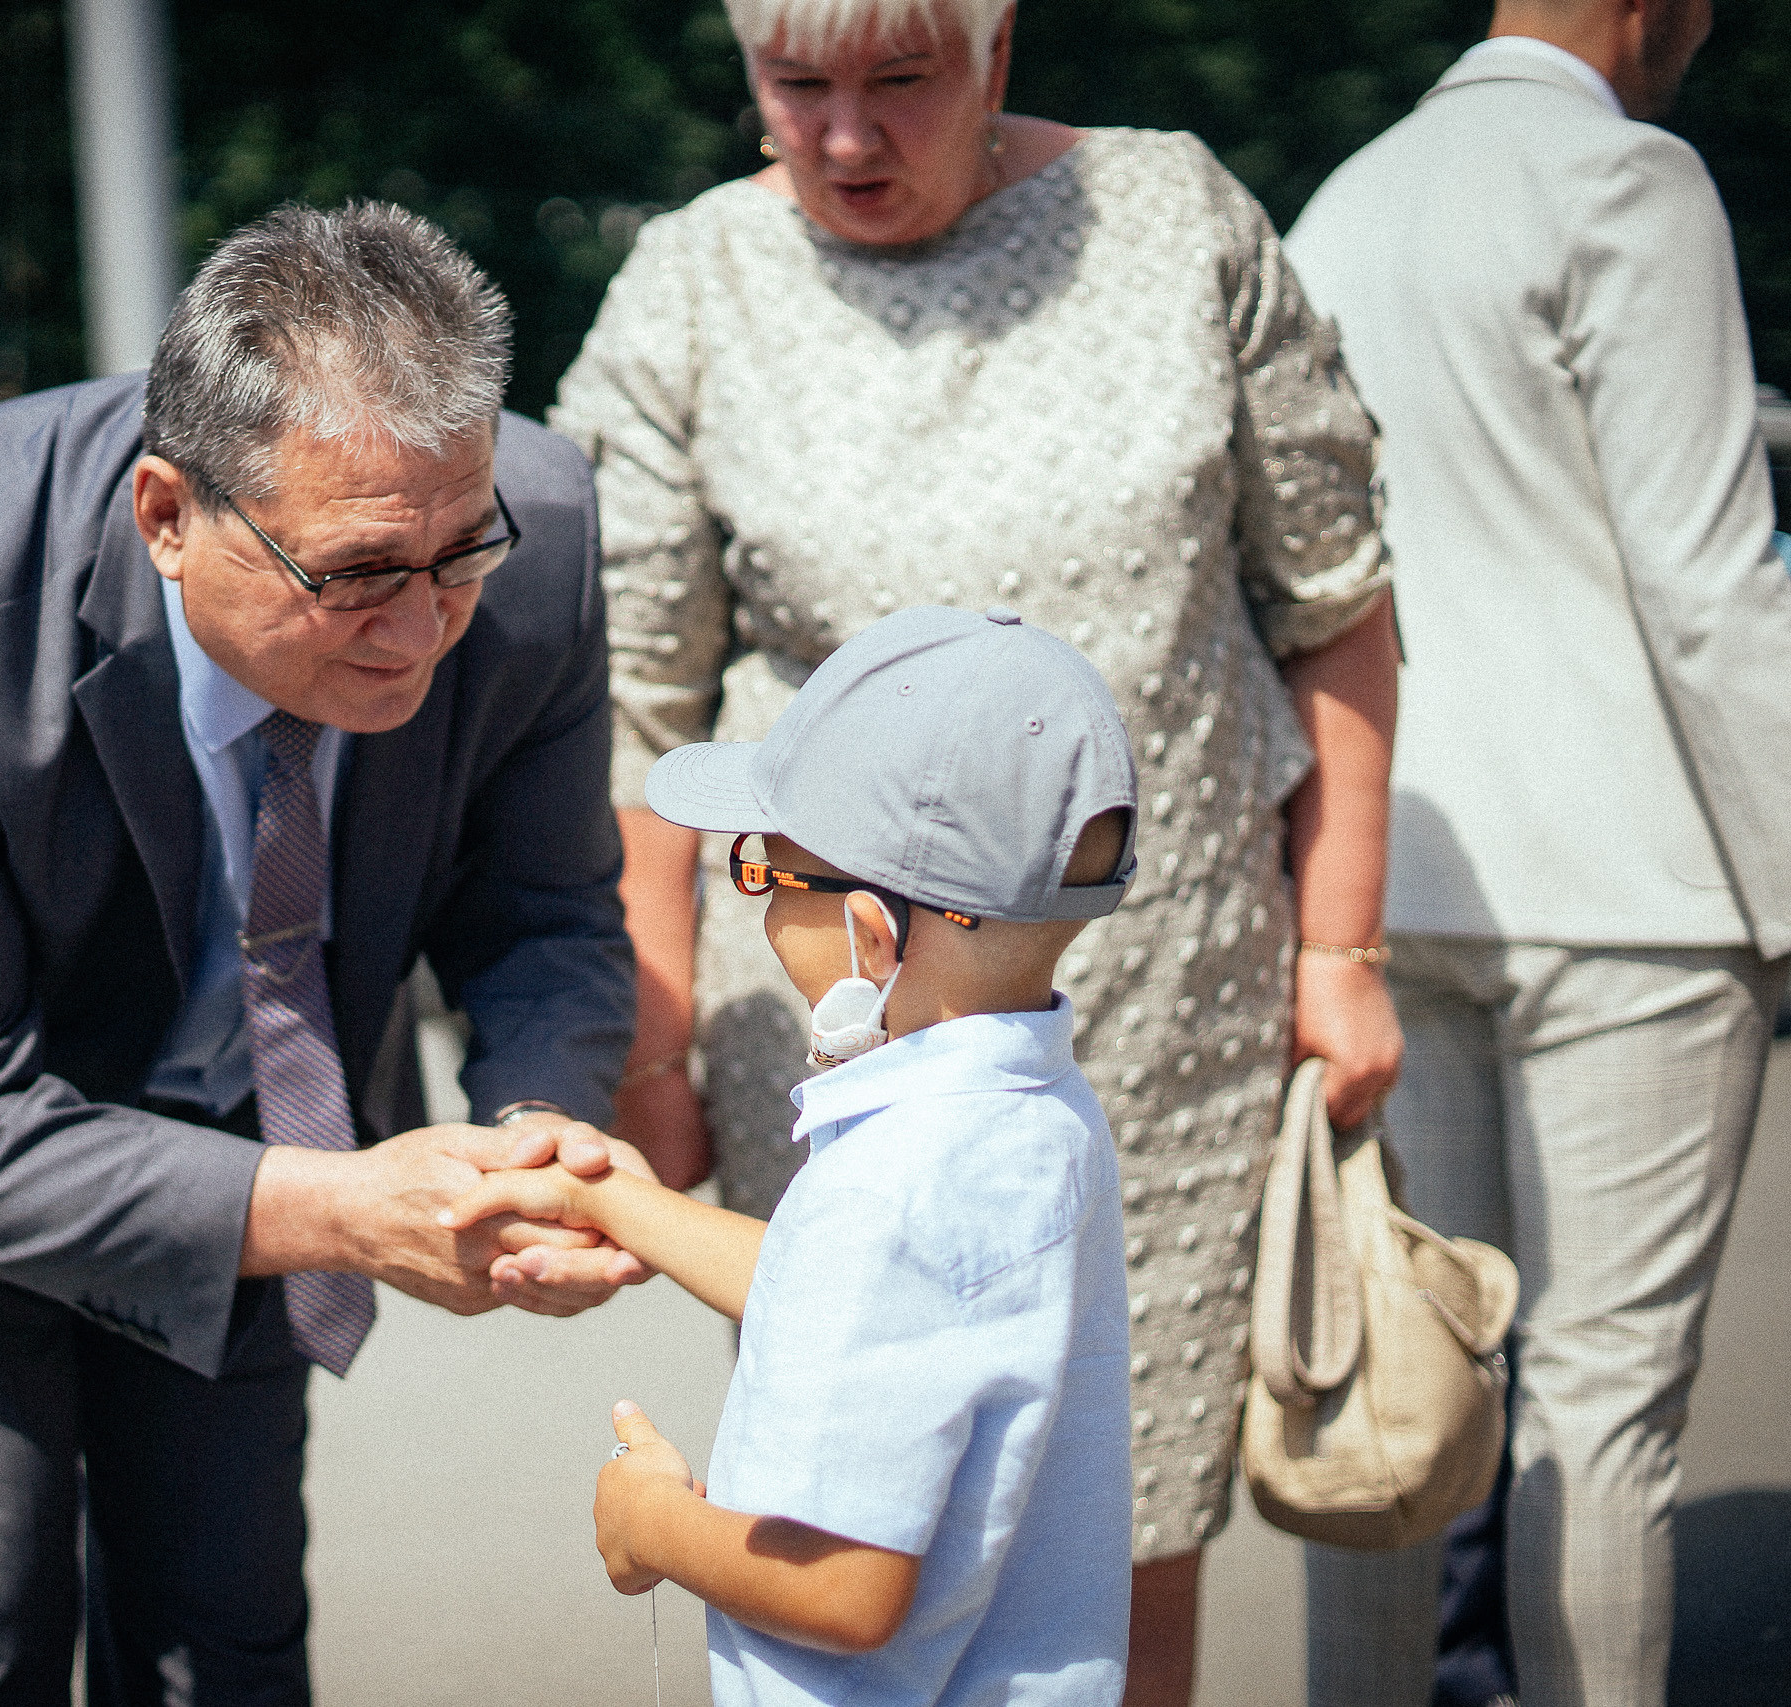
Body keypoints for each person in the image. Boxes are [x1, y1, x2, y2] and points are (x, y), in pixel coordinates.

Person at [0, 201, 647, 1707]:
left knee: (224, 1623)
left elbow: (543, 911)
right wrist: (345, 1204)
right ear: (168, 512)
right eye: (360, 574)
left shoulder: (540, 538)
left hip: (251, 1110)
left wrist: (545, 1126)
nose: (423, 628)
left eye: (460, 555)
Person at [546, 0, 1403, 1694]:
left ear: (999, 47)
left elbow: (1337, 600)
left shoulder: (1175, 216)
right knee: (861, 1435)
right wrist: (647, 1046)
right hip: (824, 982)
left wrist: (1341, 949)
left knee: (1108, 1473)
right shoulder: (696, 281)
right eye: (798, 87)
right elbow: (637, 706)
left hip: (1150, 1000)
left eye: (900, 80)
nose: (846, 137)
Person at [1282, 4, 1791, 1703]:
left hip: (1393, 869)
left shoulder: (1342, 200)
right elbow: (1715, 590)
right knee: (1601, 1405)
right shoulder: (1632, 183)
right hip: (1630, 890)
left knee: (1401, 1379)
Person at [448, 604, 1137, 1705]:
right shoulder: (1033, 1115)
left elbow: (848, 1593)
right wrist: (628, 1205)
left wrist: (654, 1523)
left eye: (765, 874)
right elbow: (856, 1297)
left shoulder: (889, 1185)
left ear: (872, 934)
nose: (755, 903)